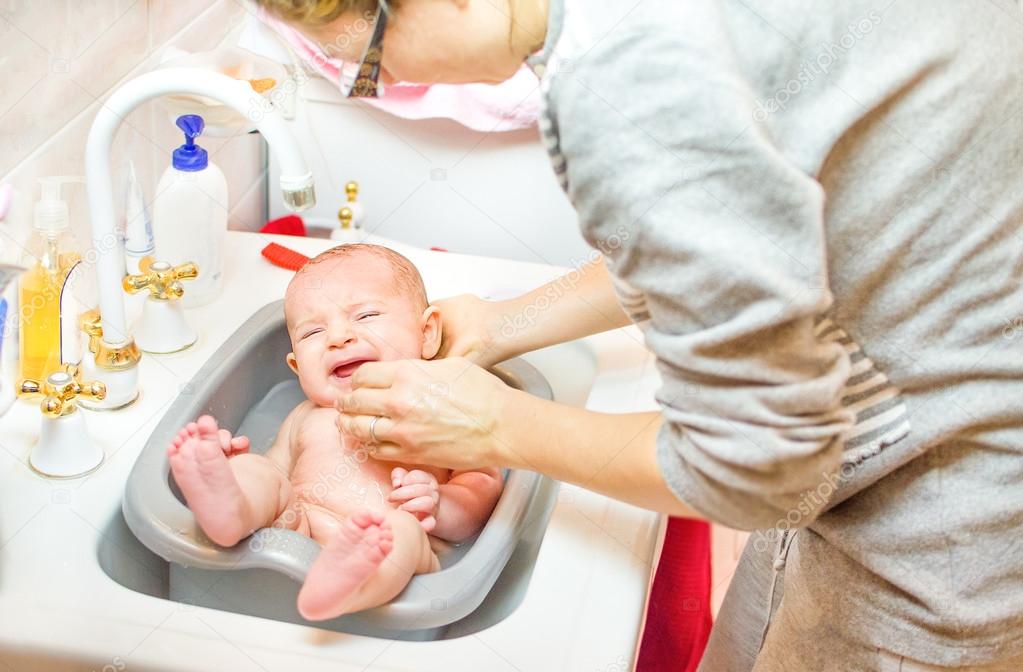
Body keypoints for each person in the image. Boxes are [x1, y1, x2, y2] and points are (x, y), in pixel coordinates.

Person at [256, 0, 1023, 669]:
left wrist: (496, 426)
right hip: (889, 427)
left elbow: (753, 468)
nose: (389, 88)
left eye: (363, 66)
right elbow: (737, 222)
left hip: (945, 517)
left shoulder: (628, 76)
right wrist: (502, 324)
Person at [166, 244, 503, 621]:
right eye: (313, 332)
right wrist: (238, 470)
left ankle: (351, 583)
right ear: (297, 366)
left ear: (427, 333)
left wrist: (439, 504)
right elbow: (278, 472)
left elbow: (484, 488)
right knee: (262, 475)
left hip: (394, 538)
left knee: (401, 534)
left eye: (366, 315)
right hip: (299, 525)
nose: (338, 337)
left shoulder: (447, 410)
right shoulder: (306, 415)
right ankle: (229, 507)